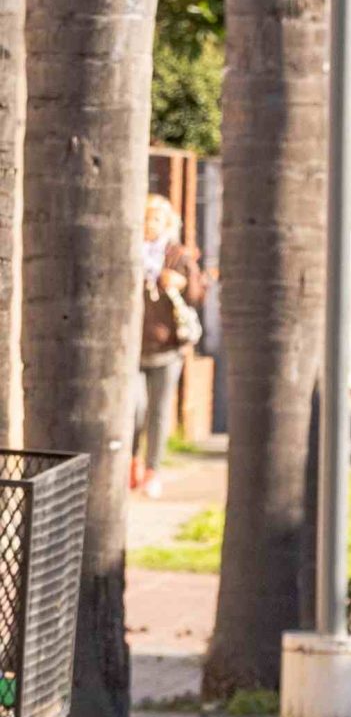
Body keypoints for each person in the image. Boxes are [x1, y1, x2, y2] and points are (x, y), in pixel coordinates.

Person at [132, 194, 204, 500]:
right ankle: (132, 463)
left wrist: (183, 283)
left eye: (156, 219)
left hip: (167, 349)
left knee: (159, 413)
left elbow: (198, 295)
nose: (150, 224)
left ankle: (153, 471)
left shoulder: (177, 256)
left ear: (167, 223)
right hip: (134, 348)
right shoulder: (131, 252)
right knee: (136, 408)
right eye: (146, 218)